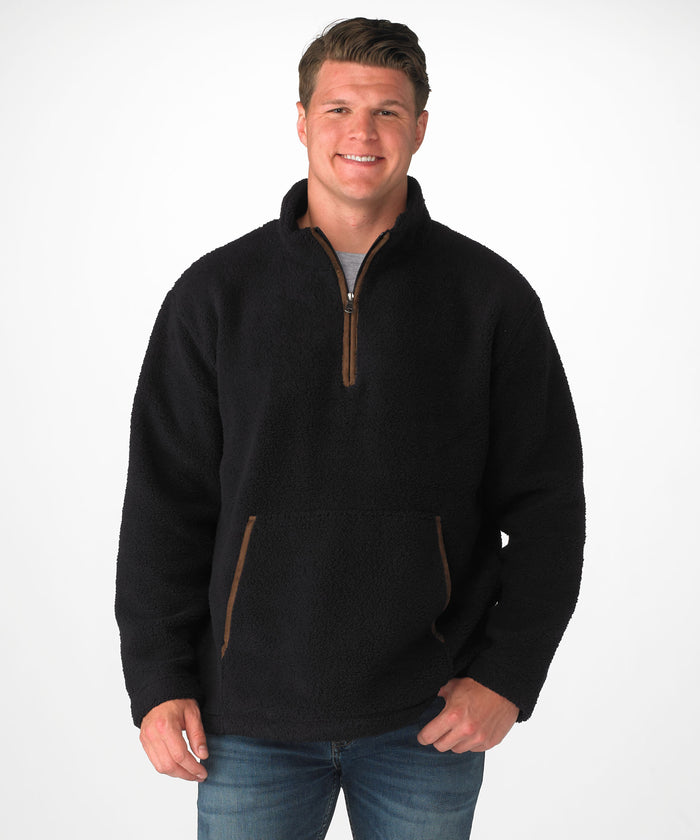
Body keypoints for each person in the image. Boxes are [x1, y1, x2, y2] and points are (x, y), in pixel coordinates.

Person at [116, 17, 585, 840]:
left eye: (386, 112)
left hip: (427, 718)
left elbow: (548, 505)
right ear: (301, 122)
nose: (361, 133)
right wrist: (157, 681)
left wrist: (508, 676)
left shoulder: (490, 298)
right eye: (338, 109)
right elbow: (165, 504)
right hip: (246, 719)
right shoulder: (215, 296)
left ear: (420, 128)